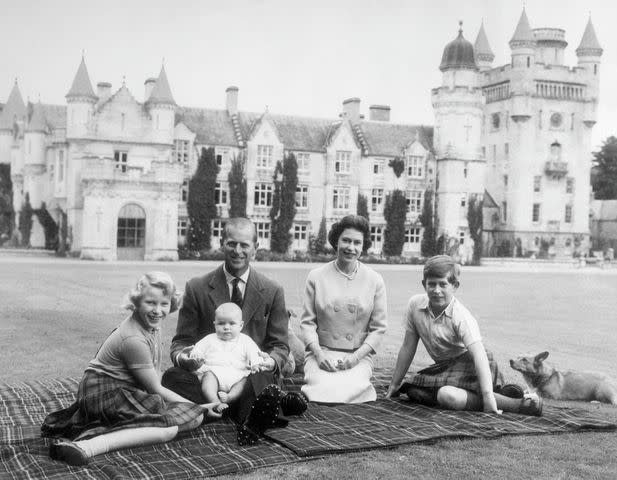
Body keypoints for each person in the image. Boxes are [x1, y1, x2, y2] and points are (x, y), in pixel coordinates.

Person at [41, 272, 224, 466]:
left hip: (122, 390)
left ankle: (105, 430)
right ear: (136, 302)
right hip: (102, 392)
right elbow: (156, 389)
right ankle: (87, 445)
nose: (158, 310)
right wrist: (198, 407)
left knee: (190, 419)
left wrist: (190, 409)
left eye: (164, 303)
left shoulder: (152, 325)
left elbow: (156, 373)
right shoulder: (133, 339)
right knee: (170, 428)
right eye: (150, 303)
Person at [161, 217, 308, 445]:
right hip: (207, 376)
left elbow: (279, 345)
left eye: (244, 245)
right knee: (172, 377)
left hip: (249, 376)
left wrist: (270, 361)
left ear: (255, 249)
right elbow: (181, 342)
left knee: (265, 378)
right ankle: (257, 411)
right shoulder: (197, 287)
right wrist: (185, 358)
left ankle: (227, 410)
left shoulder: (272, 290)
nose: (237, 251)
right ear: (222, 243)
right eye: (231, 243)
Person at [386, 255, 542, 416]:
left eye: (443, 284)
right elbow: (407, 347)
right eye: (431, 284)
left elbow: (479, 355)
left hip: (473, 363)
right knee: (412, 390)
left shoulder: (460, 316)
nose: (437, 290)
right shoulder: (415, 305)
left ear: (455, 286)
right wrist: (394, 384)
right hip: (444, 367)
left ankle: (518, 404)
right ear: (424, 284)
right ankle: (503, 392)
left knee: (446, 395)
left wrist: (487, 397)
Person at [300, 214, 387, 403]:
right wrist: (319, 354)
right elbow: (307, 323)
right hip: (322, 352)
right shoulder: (316, 276)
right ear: (336, 242)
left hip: (357, 355)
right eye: (346, 240)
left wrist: (356, 357)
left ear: (363, 246)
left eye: (357, 242)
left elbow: (379, 329)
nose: (351, 247)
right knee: (323, 388)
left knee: (351, 389)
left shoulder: (374, 280)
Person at [191, 302, 264, 405]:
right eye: (221, 323)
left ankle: (230, 398)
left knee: (243, 382)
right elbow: (198, 349)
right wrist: (196, 355)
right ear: (214, 324)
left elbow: (255, 353)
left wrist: (256, 364)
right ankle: (214, 401)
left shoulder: (245, 340)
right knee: (208, 380)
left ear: (241, 325)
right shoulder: (209, 339)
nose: (226, 327)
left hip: (237, 374)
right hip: (214, 373)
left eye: (232, 323)